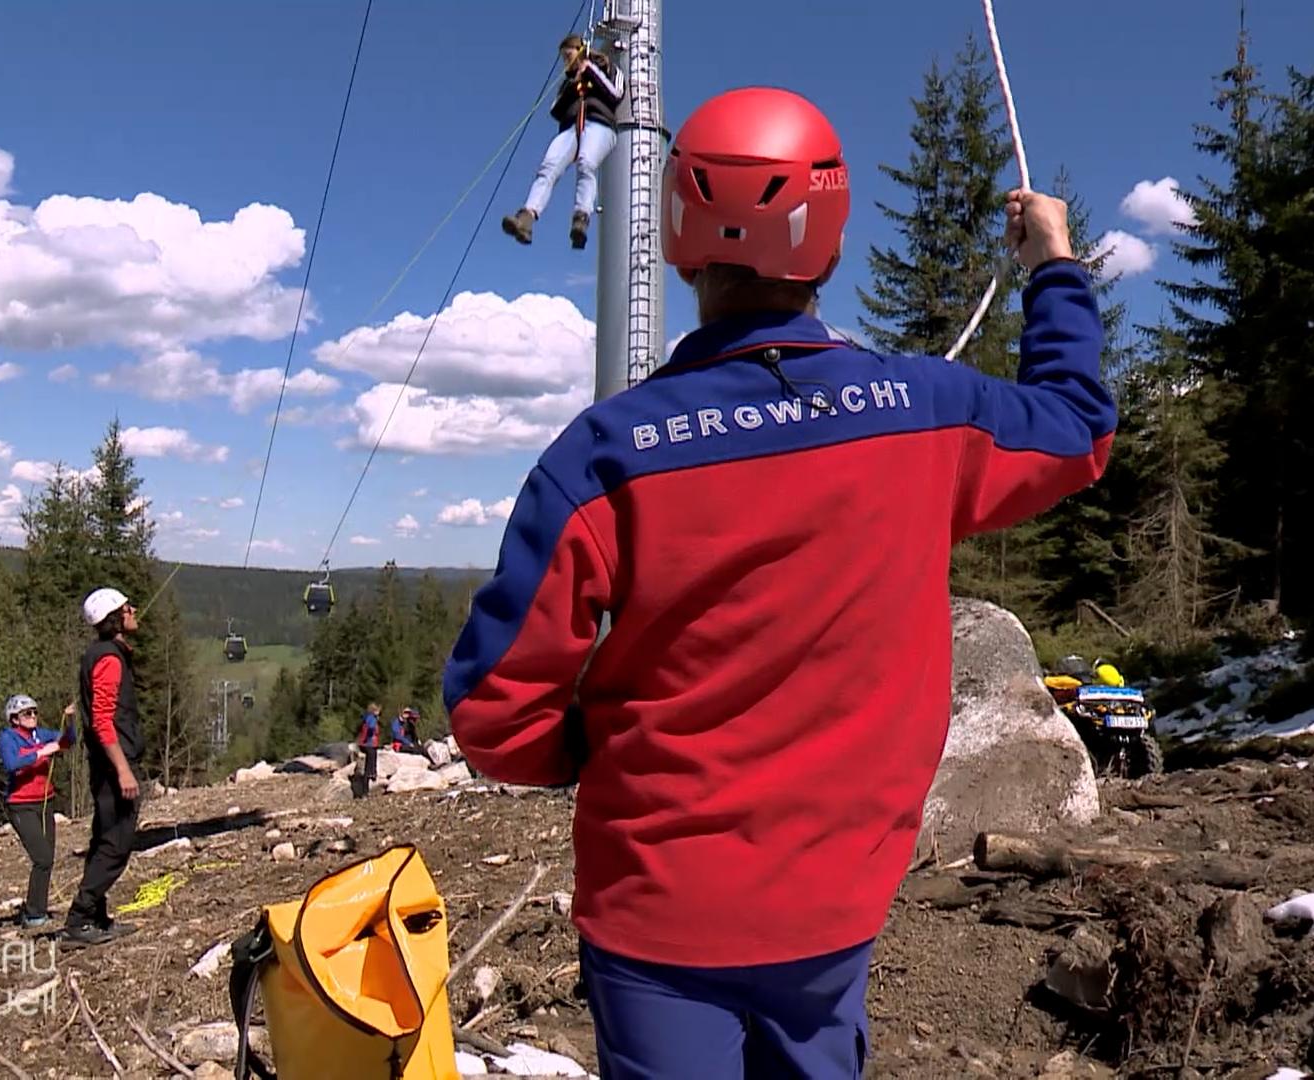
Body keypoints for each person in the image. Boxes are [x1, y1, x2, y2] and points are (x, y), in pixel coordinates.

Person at [442, 86, 1115, 1079]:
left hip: (654, 908)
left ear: (679, 235)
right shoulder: (922, 412)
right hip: (836, 900)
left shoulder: (602, 455)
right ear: (830, 242)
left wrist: (583, 745)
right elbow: (1075, 426)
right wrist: (1051, 264)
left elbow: (495, 711)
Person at [62, 587, 144, 948]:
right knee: (117, 843)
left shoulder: (106, 654)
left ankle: (96, 917)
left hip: (107, 763)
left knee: (103, 839)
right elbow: (102, 719)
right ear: (116, 617)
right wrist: (123, 770)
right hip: (113, 766)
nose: (134, 610)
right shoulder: (109, 659)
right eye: (128, 607)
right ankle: (78, 920)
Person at [502, 34, 623, 250]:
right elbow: (555, 110)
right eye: (564, 57)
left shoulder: (606, 67)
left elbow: (616, 93)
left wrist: (591, 71)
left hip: (600, 124)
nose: (566, 60)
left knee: (586, 163)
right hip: (570, 127)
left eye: (569, 54)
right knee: (548, 167)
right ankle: (526, 218)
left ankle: (581, 218)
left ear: (580, 49)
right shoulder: (568, 81)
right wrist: (572, 84)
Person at [0, 694, 76, 929]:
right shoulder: (8, 738)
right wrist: (42, 752)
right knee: (41, 857)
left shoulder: (40, 734)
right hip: (20, 804)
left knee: (47, 858)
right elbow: (11, 764)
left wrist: (70, 722)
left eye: (34, 712)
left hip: (44, 802)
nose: (32, 717)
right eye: (26, 714)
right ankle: (32, 914)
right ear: (14, 719)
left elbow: (67, 741)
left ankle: (37, 909)